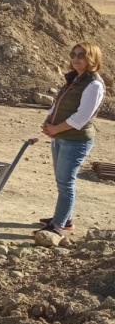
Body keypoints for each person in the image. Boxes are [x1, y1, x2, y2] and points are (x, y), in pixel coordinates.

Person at [37, 42, 105, 236]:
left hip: (75, 140)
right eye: (73, 54)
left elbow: (82, 117)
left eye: (81, 55)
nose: (75, 58)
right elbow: (59, 103)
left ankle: (57, 226)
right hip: (62, 137)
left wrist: (56, 128)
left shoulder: (93, 84)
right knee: (62, 181)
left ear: (92, 58)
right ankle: (64, 218)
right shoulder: (76, 79)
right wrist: (49, 123)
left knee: (66, 182)